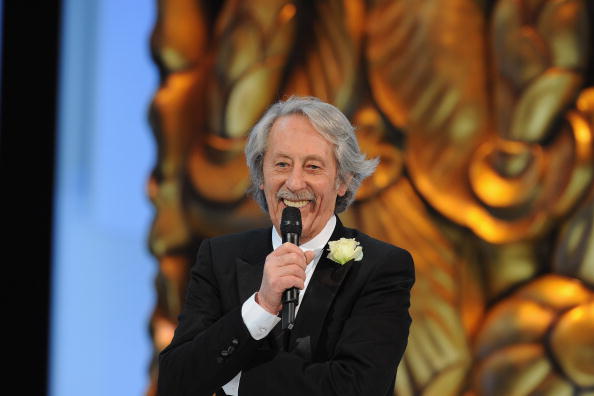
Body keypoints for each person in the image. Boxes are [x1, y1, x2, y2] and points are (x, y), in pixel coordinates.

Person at [157, 96, 415, 396]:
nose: (294, 183)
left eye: (313, 167)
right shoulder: (220, 257)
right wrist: (261, 306)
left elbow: (358, 387)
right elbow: (176, 381)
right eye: (281, 164)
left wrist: (237, 380)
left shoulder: (380, 267)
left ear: (343, 181)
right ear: (261, 176)